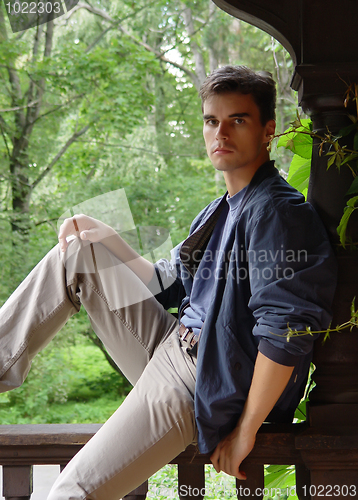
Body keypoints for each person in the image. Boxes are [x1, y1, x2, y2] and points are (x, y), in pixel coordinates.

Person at [0, 65, 337, 499]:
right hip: (170, 343)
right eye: (212, 121)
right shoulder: (221, 208)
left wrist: (247, 430)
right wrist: (108, 238)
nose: (221, 133)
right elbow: (164, 282)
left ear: (268, 130)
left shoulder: (277, 213)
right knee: (79, 253)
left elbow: (287, 331)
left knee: (72, 491)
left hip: (196, 377)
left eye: (238, 120)